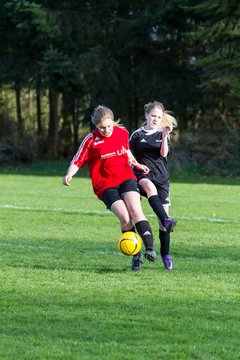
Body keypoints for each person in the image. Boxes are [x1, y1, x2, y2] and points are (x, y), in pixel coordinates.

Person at [63, 105, 157, 272]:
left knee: (136, 210)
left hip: (126, 177)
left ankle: (150, 249)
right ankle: (136, 256)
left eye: (109, 126)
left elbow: (126, 152)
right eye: (102, 128)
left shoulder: (122, 133)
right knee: (125, 217)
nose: (106, 130)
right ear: (96, 126)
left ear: (113, 122)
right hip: (105, 185)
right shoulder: (91, 140)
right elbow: (77, 160)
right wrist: (69, 175)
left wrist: (137, 164)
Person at [130, 101, 178, 270]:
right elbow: (129, 157)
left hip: (162, 178)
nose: (156, 119)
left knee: (161, 226)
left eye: (159, 117)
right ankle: (167, 220)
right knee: (148, 187)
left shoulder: (163, 133)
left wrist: (165, 136)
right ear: (146, 116)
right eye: (153, 116)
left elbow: (164, 154)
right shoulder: (136, 135)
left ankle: (166, 254)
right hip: (142, 174)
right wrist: (135, 168)